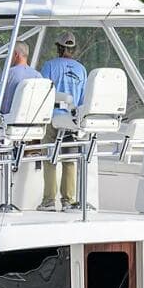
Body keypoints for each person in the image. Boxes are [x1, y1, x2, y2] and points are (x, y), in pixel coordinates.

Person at [39, 32, 87, 209]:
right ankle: (68, 201)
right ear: (73, 49)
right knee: (69, 160)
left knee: (50, 158)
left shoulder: (49, 66)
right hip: (72, 120)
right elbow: (82, 100)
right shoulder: (82, 70)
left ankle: (49, 201)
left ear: (59, 48)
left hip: (53, 118)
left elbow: (42, 92)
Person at [0, 41, 41, 115]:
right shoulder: (38, 76)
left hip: (6, 118)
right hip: (29, 119)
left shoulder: (9, 73)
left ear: (15, 54)